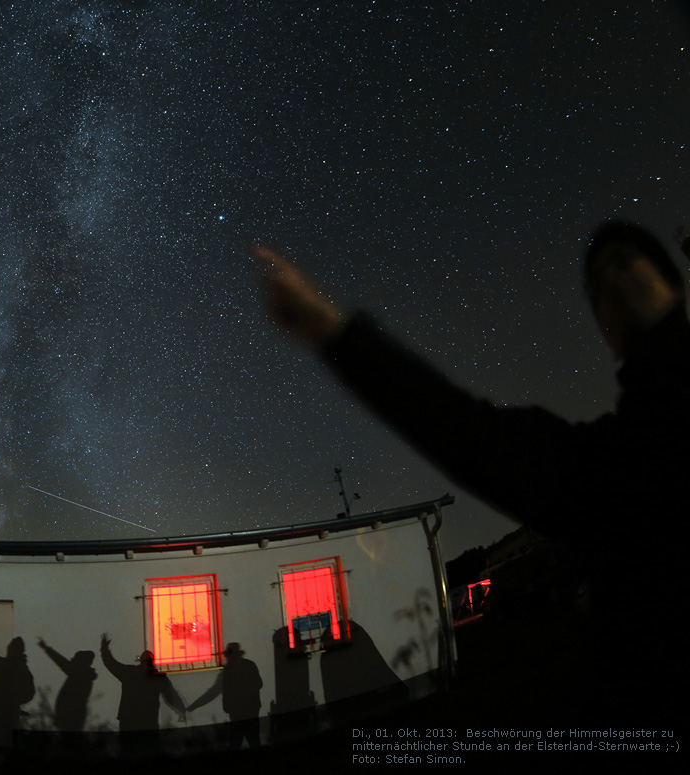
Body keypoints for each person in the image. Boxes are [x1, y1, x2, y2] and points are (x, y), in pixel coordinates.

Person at [252, 222, 690, 724]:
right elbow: (470, 433)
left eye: (624, 262)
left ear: (671, 281)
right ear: (607, 334)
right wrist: (332, 332)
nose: (611, 281)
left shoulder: (630, 452)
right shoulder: (615, 466)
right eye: (597, 284)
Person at [99, 635, 186, 757]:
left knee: (128, 753)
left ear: (141, 661)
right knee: (149, 753)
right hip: (148, 721)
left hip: (128, 722)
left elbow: (111, 664)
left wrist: (104, 649)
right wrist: (181, 710)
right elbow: (171, 696)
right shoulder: (158, 677)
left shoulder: (129, 673)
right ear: (153, 661)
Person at [187, 642, 263, 749]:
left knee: (236, 742)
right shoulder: (249, 665)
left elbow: (212, 692)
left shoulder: (228, 672)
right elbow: (259, 684)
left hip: (237, 713)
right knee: (253, 740)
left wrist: (194, 706)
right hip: (251, 711)